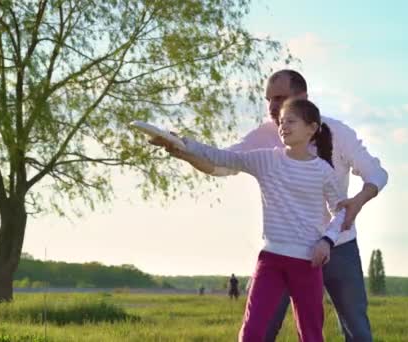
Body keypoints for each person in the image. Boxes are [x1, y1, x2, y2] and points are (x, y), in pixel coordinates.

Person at [152, 69, 388, 342]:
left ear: (304, 98)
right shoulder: (265, 137)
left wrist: (357, 203)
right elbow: (221, 163)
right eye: (269, 100)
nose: (273, 107)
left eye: (280, 98)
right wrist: (182, 150)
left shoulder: (338, 134)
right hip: (283, 253)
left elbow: (376, 174)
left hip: (338, 246)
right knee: (259, 330)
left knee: (355, 329)